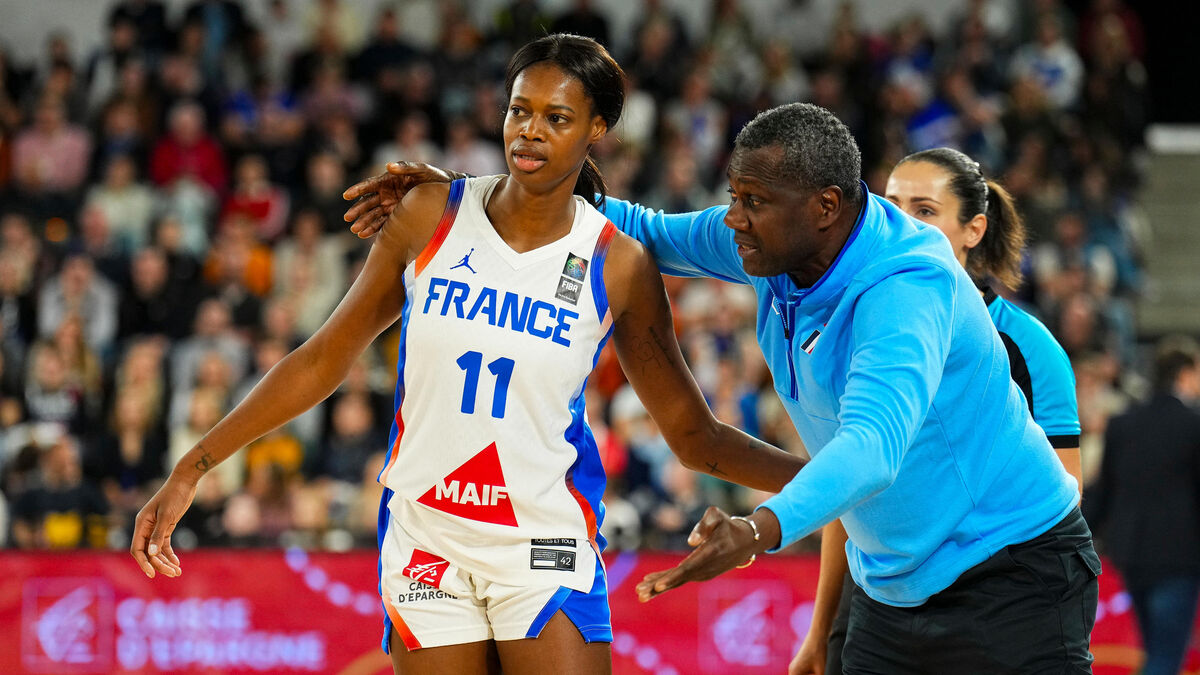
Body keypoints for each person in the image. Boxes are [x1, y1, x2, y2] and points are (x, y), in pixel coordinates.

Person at [130, 35, 803, 675]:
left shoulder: (618, 262)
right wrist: (193, 465)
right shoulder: (430, 214)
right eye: (519, 110)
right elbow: (320, 360)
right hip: (428, 537)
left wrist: (832, 484)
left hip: (541, 543)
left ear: (597, 128)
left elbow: (695, 436)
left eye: (557, 117)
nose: (530, 131)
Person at [344, 102, 1098, 673]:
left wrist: (759, 528)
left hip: (1014, 572)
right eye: (734, 195)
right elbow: (644, 228)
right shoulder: (777, 241)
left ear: (825, 208)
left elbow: (872, 449)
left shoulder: (905, 288)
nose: (732, 218)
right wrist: (472, 199)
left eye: (752, 202)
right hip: (892, 585)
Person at [793, 147, 1084, 675]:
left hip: (999, 597)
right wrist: (819, 629)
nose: (901, 223)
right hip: (880, 600)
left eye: (924, 210)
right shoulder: (862, 325)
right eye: (891, 204)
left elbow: (1065, 495)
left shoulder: (1027, 345)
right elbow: (851, 489)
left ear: (973, 230)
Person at [1086, 338, 1200, 675]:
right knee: (1165, 656)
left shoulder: (1124, 423)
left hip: (1130, 553)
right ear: (1184, 374)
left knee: (1154, 649)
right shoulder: (1193, 425)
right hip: (1178, 557)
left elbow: (1104, 490)